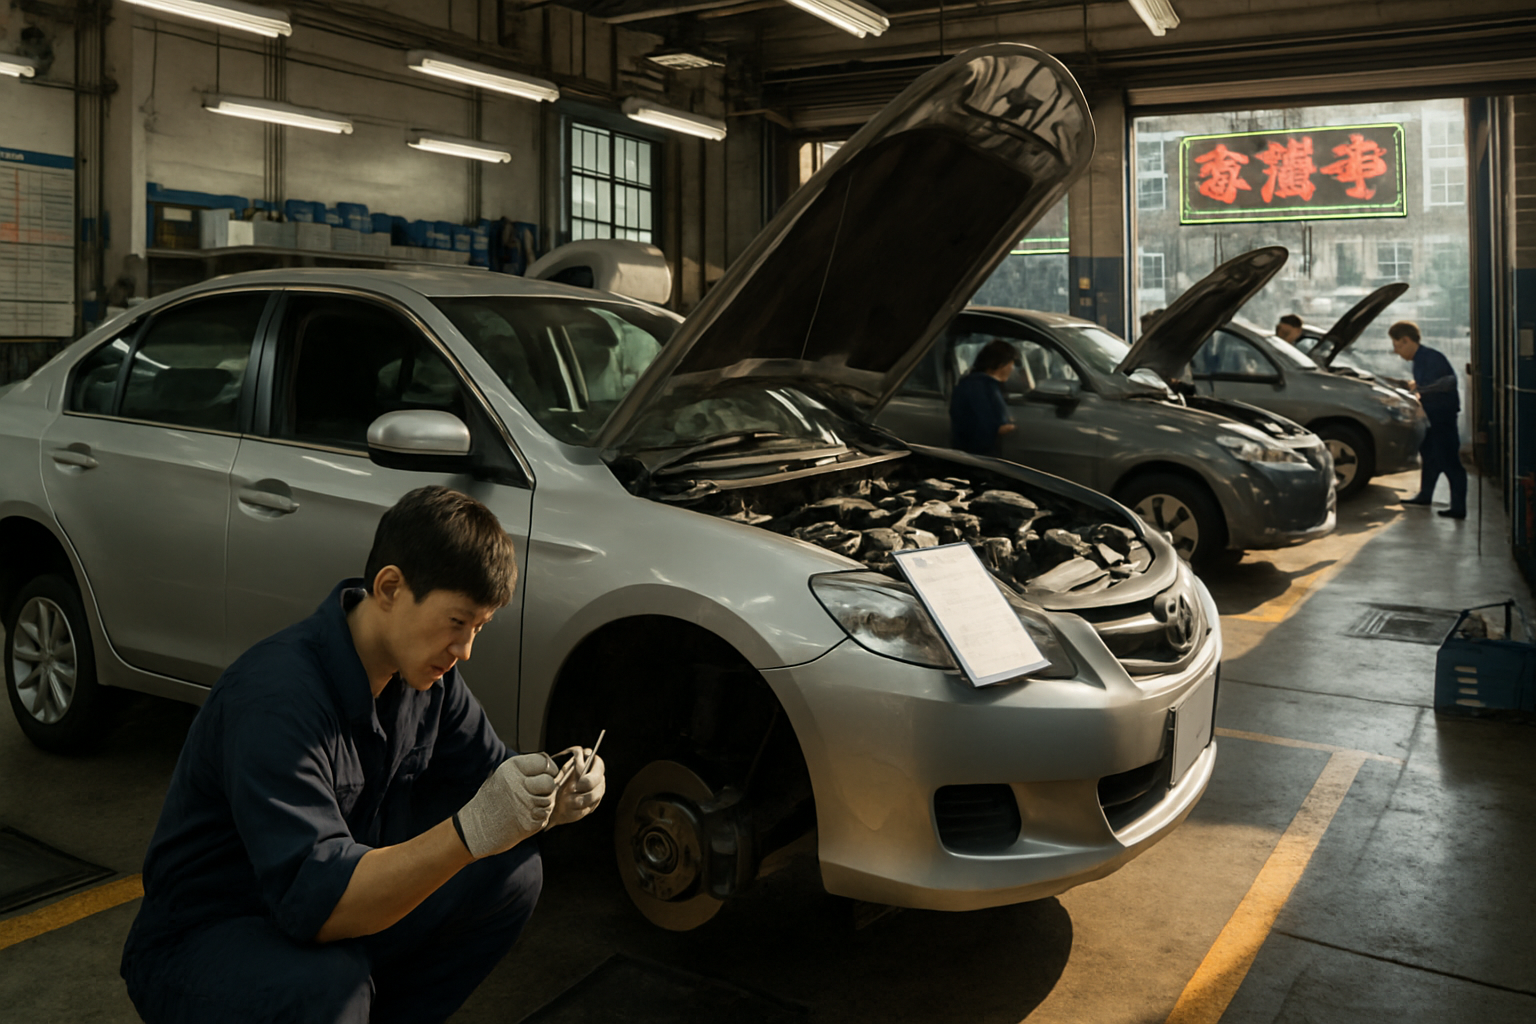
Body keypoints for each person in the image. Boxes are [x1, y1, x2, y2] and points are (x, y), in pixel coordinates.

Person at [120, 486, 605, 1023]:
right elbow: (317, 901)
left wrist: (554, 791)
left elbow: (492, 774)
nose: (465, 648)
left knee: (512, 872)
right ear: (391, 587)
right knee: (330, 986)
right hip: (207, 942)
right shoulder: (276, 700)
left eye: (479, 628)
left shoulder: (427, 682)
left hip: (323, 922)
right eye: (456, 622)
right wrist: (472, 831)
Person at [1389, 320, 1467, 519]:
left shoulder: (1430, 358)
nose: (1396, 351)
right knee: (1430, 457)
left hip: (1442, 417)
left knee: (1449, 461)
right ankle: (1425, 495)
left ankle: (1458, 507)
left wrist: (1418, 390)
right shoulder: (1422, 359)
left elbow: (1446, 383)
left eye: (1398, 345)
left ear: (1407, 340)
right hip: (1433, 417)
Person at [950, 338, 1018, 455]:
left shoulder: (986, 385)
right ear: (1001, 364)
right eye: (1011, 364)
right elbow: (982, 424)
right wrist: (1003, 428)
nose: (1012, 369)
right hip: (976, 456)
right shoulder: (977, 387)